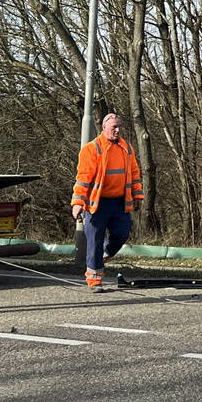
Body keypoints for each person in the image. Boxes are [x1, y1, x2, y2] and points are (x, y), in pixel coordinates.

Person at [71, 114, 144, 292]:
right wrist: (78, 202)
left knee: (122, 233)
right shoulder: (92, 149)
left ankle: (106, 252)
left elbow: (134, 173)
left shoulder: (126, 148)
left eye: (119, 126)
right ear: (104, 128)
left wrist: (137, 196)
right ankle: (94, 280)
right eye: (114, 127)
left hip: (119, 202)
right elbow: (83, 178)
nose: (117, 130)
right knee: (94, 240)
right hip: (97, 203)